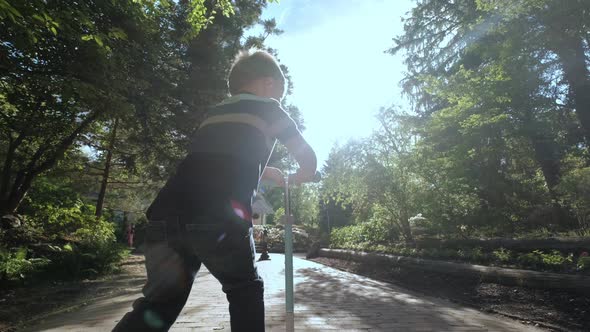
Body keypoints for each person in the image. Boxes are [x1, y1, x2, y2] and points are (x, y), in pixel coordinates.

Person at [113, 50, 317, 332]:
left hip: (167, 214)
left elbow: (216, 159)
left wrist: (264, 171)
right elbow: (308, 160)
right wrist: (296, 178)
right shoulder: (270, 108)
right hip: (218, 216)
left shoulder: (215, 113)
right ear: (269, 84)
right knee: (244, 290)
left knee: (159, 302)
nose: (278, 99)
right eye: (279, 93)